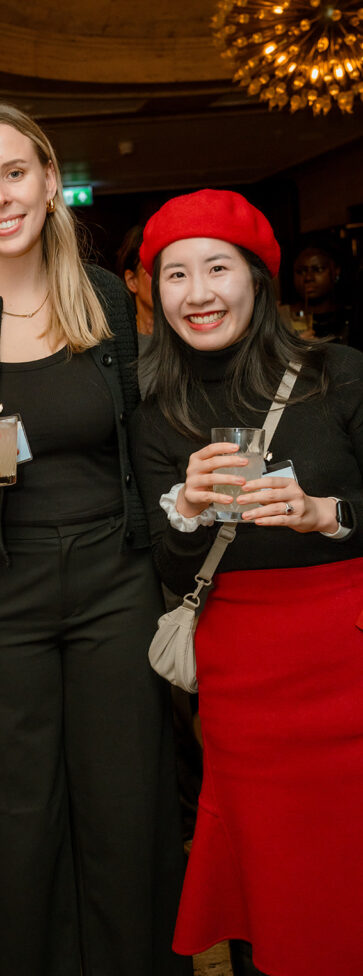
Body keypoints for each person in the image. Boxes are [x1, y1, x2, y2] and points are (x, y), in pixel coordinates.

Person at [0, 102, 188, 976]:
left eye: (13, 174)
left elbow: (142, 435)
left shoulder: (98, 296)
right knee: (17, 818)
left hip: (113, 582)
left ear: (49, 180)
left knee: (125, 808)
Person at [132, 188, 363, 976]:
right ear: (153, 292)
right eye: (174, 275)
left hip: (349, 660)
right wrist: (188, 508)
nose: (197, 294)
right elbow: (166, 570)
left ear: (258, 281)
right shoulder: (155, 410)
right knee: (267, 886)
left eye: (217, 268)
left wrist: (322, 512)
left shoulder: (339, 374)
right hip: (242, 683)